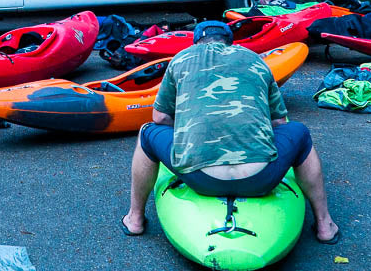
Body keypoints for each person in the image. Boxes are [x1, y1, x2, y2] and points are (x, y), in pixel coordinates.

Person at [121, 20, 339, 244]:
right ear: (230, 42)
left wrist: (190, 130)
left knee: (147, 132)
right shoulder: (256, 59)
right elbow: (280, 121)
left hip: (200, 178)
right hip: (261, 178)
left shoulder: (181, 59)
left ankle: (135, 219)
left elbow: (159, 118)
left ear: (197, 42)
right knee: (299, 132)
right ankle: (325, 225)